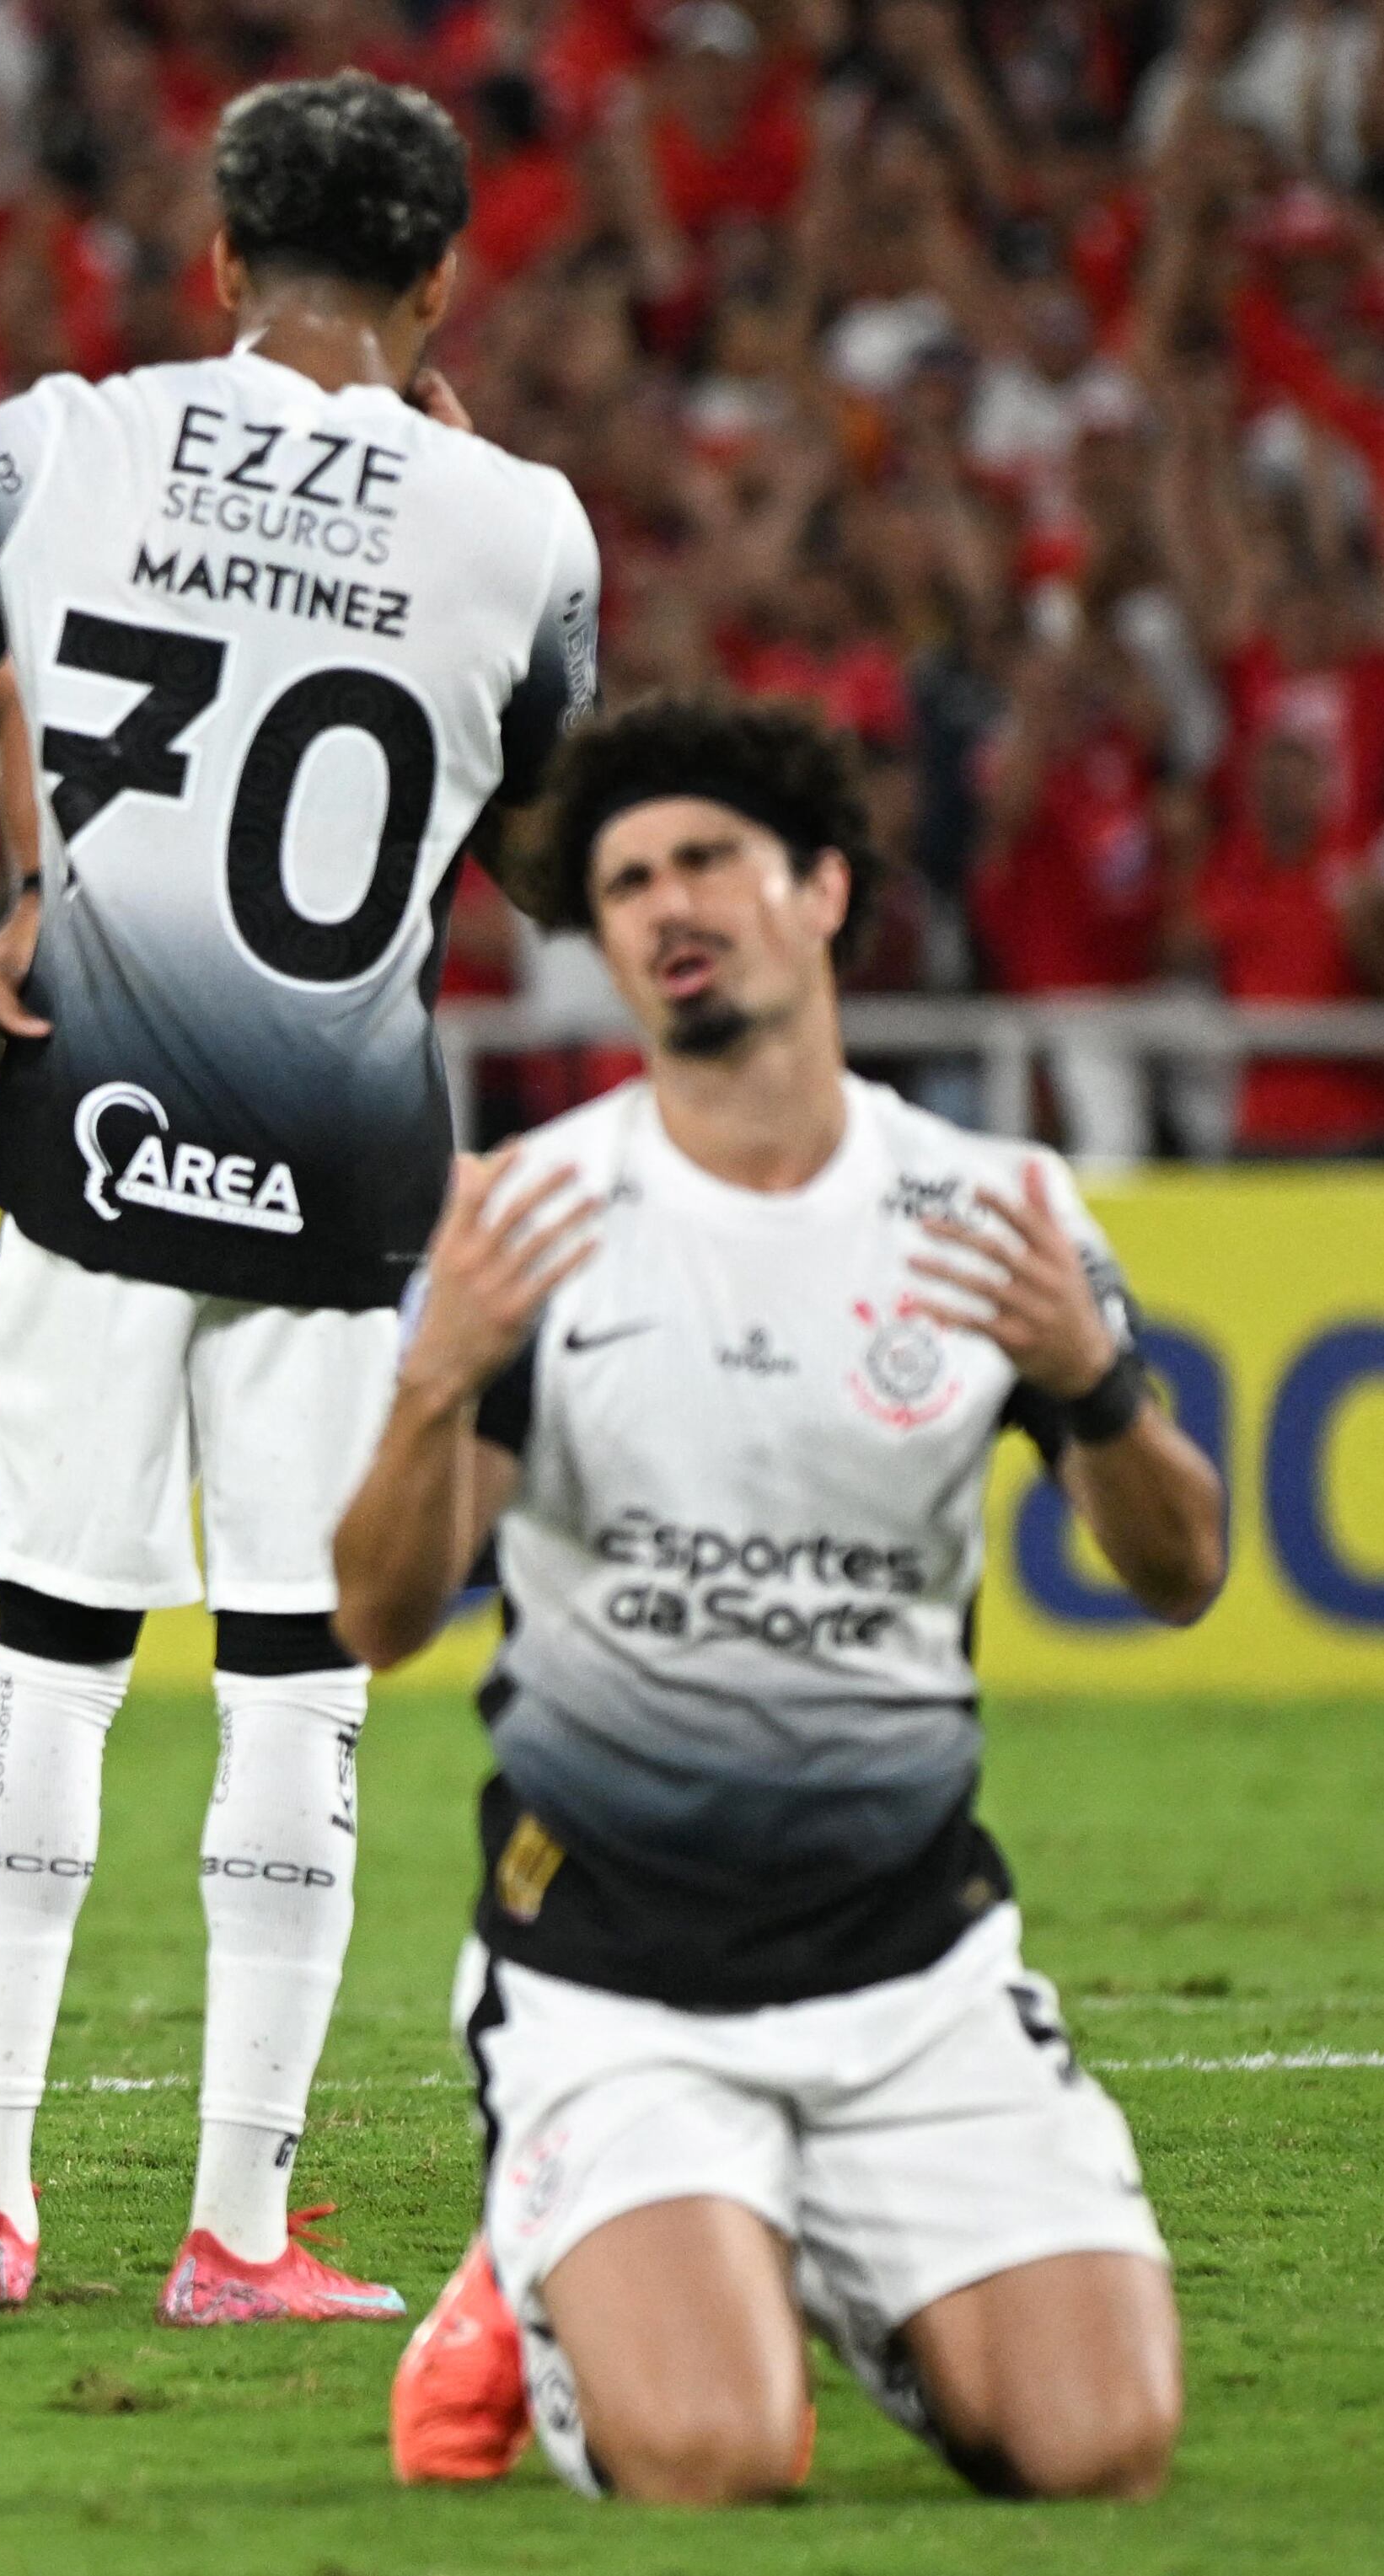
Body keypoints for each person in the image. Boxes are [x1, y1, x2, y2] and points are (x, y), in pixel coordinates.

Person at [0, 72, 600, 2322]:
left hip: (81, 1141)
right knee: (298, 1697)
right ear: (435, 285)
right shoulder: (523, 525)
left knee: (49, 1681)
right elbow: (554, 863)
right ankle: (236, 2234)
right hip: (344, 1173)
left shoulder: (62, 443)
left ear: (216, 263)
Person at [346, 693, 1218, 2504]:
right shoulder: (540, 1215)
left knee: (1099, 2443)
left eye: (703, 863)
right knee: (715, 2457)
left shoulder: (993, 1207)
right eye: (624, 882)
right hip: (612, 1974)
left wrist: (1097, 1379)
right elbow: (379, 1615)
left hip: (912, 1968)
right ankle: (556, 2269)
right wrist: (434, 1383)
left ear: (821, 889)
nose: (664, 904)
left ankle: (797, 2246)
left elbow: (1180, 1564)